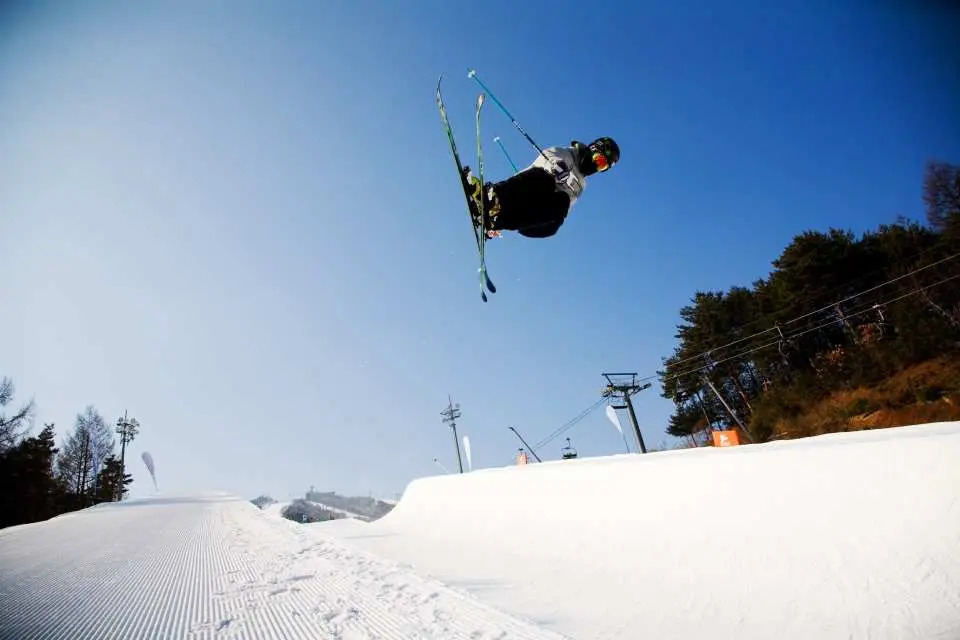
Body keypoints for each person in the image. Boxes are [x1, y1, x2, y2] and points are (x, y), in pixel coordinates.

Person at [463, 136, 620, 238]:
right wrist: (555, 167)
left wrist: (552, 224)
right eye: (599, 160)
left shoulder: (580, 187)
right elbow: (547, 157)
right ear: (593, 149)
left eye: (602, 166)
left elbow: (563, 207)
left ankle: (497, 220)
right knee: (546, 180)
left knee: (561, 207)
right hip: (525, 189)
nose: (596, 166)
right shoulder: (567, 153)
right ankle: (492, 198)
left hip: (535, 207)